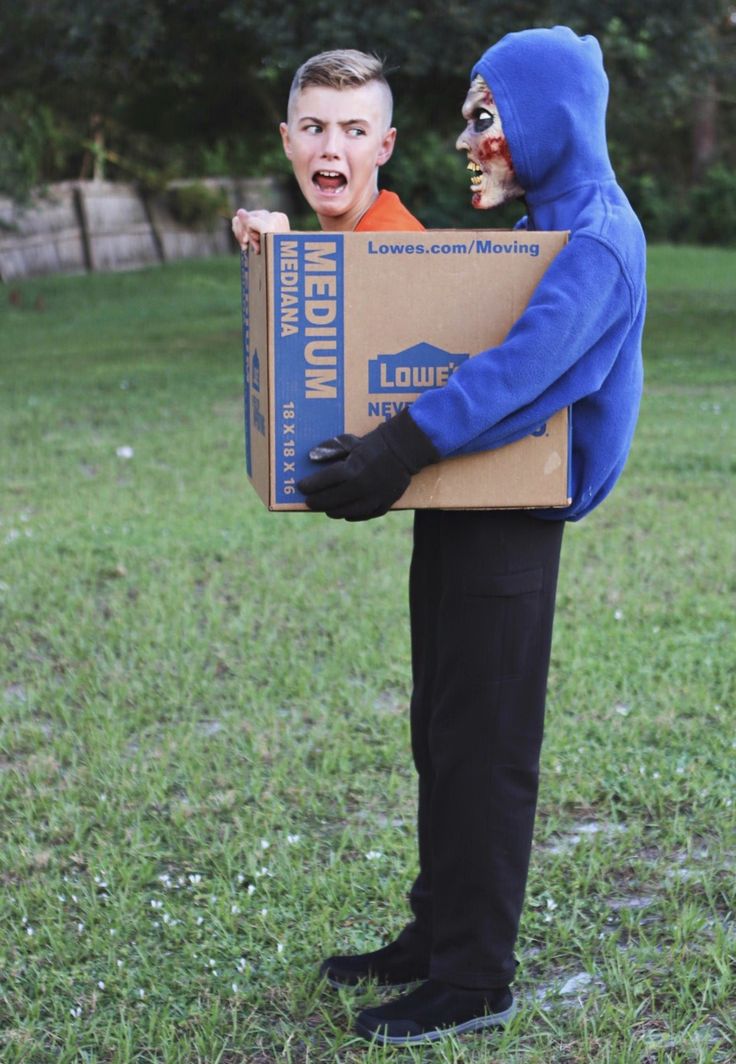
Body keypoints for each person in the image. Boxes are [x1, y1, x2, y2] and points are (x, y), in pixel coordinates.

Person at [297, 26, 646, 1047]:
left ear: (547, 122)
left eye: (484, 119)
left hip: (510, 527)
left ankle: (473, 974)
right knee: (440, 730)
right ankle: (434, 931)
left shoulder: (597, 239)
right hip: (463, 507)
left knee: (486, 747)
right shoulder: (545, 226)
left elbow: (525, 370)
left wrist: (397, 443)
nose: (466, 141)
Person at [231, 48, 422, 255]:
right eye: (314, 129)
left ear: (384, 147)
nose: (330, 149)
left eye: (355, 131)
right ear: (287, 141)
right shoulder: (351, 247)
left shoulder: (396, 249)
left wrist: (284, 255)